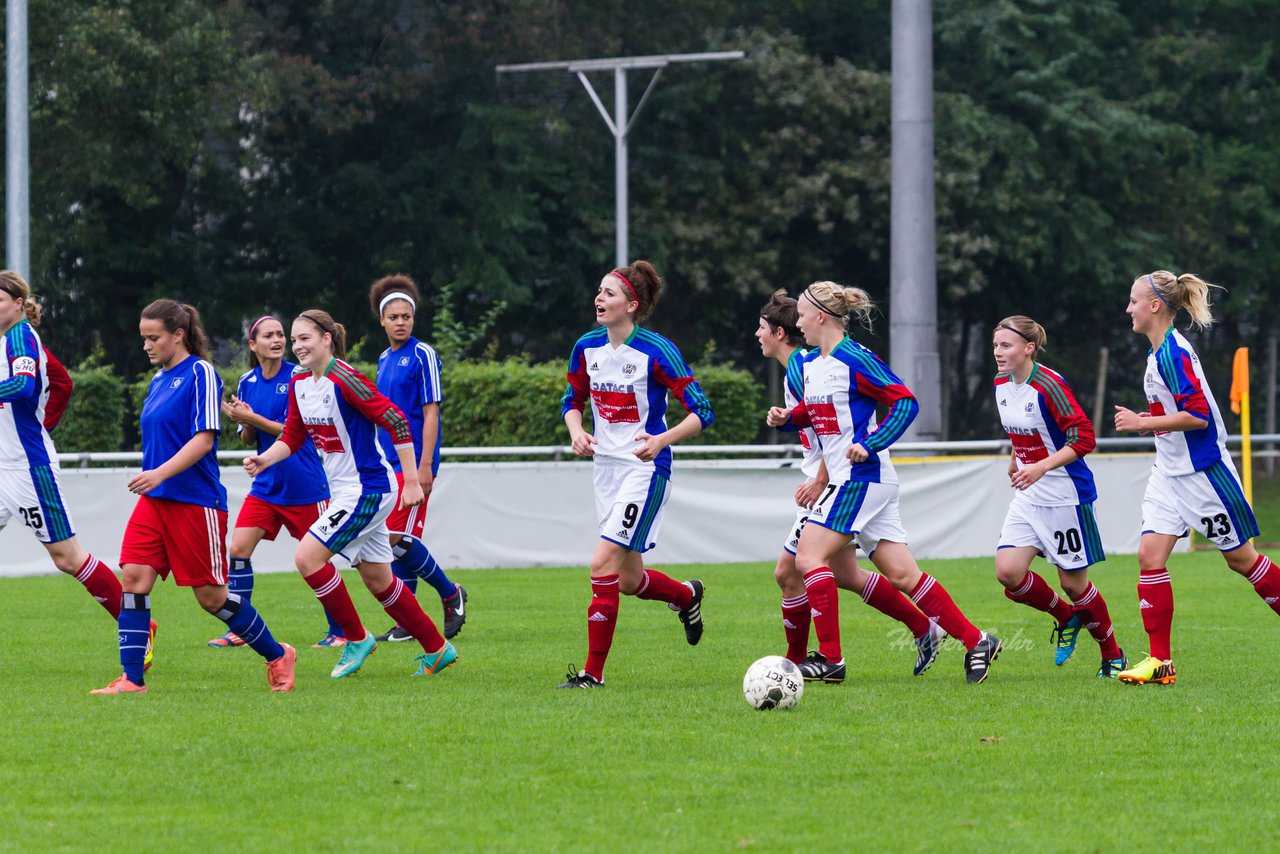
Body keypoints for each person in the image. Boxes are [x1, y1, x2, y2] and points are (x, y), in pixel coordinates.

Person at [768, 281, 1001, 683]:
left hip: (861, 478)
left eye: (802, 315)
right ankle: (976, 639)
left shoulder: (853, 358)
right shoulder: (817, 365)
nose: (798, 323)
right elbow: (826, 413)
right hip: (862, 481)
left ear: (821, 316)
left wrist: (871, 443)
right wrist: (791, 417)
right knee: (902, 575)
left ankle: (830, 659)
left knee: (807, 559)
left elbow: (905, 401)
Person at [93, 299, 295, 694]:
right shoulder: (156, 381)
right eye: (144, 339)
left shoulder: (201, 373)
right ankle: (132, 679)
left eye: (154, 338)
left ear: (178, 335)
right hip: (156, 501)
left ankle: (278, 654)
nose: (147, 346)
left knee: (212, 597)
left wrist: (159, 474)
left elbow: (204, 439)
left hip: (194, 501)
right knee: (133, 578)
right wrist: (155, 479)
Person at [244, 309, 457, 679]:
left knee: (307, 558)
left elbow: (395, 419)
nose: (297, 346)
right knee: (378, 580)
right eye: (294, 340)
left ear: (327, 339)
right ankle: (437, 648)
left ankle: (356, 638)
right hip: (346, 491)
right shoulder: (299, 382)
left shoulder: (344, 378)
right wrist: (264, 458)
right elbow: (294, 435)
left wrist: (410, 480)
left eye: (305, 338)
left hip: (368, 489)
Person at [755, 290, 943, 676]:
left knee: (792, 570)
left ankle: (811, 661)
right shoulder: (809, 364)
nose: (756, 335)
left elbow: (835, 429)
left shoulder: (803, 368)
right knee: (843, 574)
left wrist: (821, 478)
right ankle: (924, 627)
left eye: (760, 328)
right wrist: (788, 419)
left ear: (779, 332)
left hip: (842, 478)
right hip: (836, 476)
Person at [1113, 271, 1280, 685]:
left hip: (1203, 475)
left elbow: (1199, 416)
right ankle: (1160, 662)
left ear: (1154, 306)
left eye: (1134, 301)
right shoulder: (1156, 354)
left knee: (1242, 561)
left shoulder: (1173, 353)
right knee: (1149, 557)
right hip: (1168, 474)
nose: (1128, 308)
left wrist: (1143, 423)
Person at [558, 260, 714, 688]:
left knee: (602, 563)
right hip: (604, 470)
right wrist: (577, 431)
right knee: (627, 580)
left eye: (609, 293)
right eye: (599, 291)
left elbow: (703, 411)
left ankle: (592, 675)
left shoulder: (657, 351)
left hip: (645, 470)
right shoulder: (586, 347)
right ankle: (686, 596)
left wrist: (661, 440)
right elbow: (571, 399)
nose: (599, 299)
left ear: (632, 304)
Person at [991, 315, 1126, 677]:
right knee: (1008, 573)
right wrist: (1016, 459)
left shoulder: (1049, 386)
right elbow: (1022, 430)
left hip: (1065, 496)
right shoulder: (1001, 383)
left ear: (1028, 348)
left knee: (1072, 582)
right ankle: (1067, 617)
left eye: (1006, 346)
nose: (998, 353)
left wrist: (1040, 467)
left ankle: (1113, 656)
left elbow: (1084, 439)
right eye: (996, 346)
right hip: (1029, 494)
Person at [0, 272, 131, 641]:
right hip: (5, 464)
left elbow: (24, 386)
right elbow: (62, 382)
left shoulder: (21, 337)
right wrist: (43, 425)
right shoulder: (6, 340)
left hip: (27, 470)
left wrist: (38, 433)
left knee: (68, 558)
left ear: (19, 304)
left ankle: (136, 623)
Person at [210, 315, 345, 649]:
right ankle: (241, 629)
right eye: (268, 335)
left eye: (280, 334)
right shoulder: (247, 381)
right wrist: (245, 422)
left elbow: (296, 432)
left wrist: (252, 417)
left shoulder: (299, 375)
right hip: (266, 485)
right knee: (238, 549)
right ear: (252, 345)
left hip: (305, 485)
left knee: (318, 559)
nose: (278, 340)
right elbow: (246, 439)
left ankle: (339, 632)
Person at [367, 275, 467, 643]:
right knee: (395, 539)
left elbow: (430, 413)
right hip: (388, 460)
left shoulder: (423, 354)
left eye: (406, 316)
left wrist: (424, 466)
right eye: (393, 316)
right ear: (382, 320)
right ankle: (408, 622)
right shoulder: (383, 358)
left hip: (413, 464)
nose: (400, 322)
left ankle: (450, 592)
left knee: (396, 537)